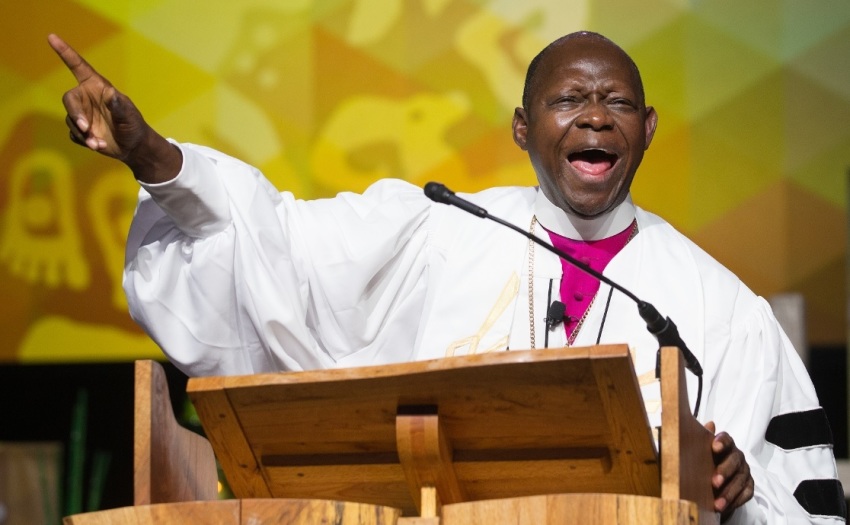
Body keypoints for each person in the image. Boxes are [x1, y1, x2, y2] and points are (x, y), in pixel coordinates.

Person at [49, 31, 844, 523]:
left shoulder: (720, 306)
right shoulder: (439, 229)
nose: (596, 116)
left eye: (617, 102)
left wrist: (742, 494)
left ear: (648, 129)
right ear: (523, 128)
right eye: (570, 99)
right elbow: (273, 243)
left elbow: (804, 506)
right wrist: (153, 154)